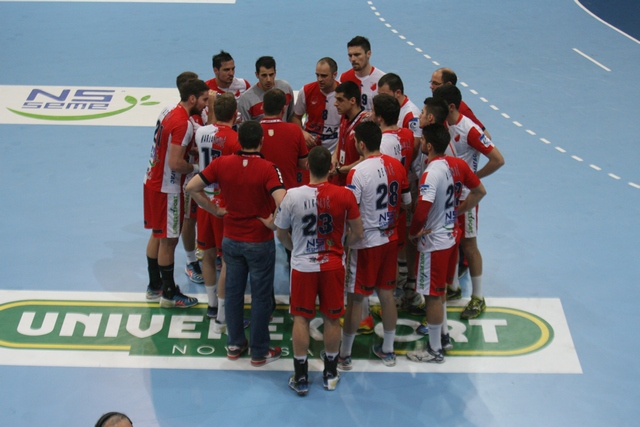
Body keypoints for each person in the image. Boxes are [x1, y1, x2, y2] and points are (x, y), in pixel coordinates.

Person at [186, 120, 286, 366]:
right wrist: (273, 223)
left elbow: (192, 187)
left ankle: (234, 344)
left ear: (239, 141)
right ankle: (259, 351)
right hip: (259, 241)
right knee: (261, 297)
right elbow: (284, 200)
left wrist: (214, 210)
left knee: (233, 293)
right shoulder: (268, 168)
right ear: (261, 141)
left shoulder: (222, 163)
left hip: (231, 239)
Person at [275, 146, 364, 396]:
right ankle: (331, 374)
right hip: (333, 265)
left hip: (303, 266)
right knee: (332, 318)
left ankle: (301, 377)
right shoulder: (345, 195)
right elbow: (358, 232)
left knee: (301, 318)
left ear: (307, 167)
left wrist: (295, 249)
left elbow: (280, 233)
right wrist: (341, 246)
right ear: (331, 168)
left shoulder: (292, 196)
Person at [406, 124, 486, 363]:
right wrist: (458, 210)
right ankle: (443, 336)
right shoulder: (458, 164)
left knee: (432, 295)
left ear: (429, 145)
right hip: (451, 237)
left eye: (422, 140)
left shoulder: (431, 172)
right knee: (440, 290)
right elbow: (479, 190)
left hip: (434, 243)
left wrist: (413, 232)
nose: (420, 143)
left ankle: (434, 350)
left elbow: (422, 209)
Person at [340, 121, 411, 370]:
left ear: (361, 144)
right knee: (387, 295)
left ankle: (345, 355)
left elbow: (350, 211)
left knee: (355, 299)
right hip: (389, 240)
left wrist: (347, 240)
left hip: (365, 244)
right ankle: (388, 350)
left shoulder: (357, 172)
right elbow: (406, 202)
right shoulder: (397, 166)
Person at [434, 84, 505, 319]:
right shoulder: (443, 124)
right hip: (447, 197)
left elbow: (497, 159)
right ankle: (453, 287)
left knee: (469, 245)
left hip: (466, 198)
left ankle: (477, 297)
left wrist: (474, 179)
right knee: (451, 241)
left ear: (451, 107)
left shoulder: (469, 130)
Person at [143, 78, 209, 308]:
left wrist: (190, 150)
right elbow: (175, 163)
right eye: (203, 99)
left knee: (157, 234)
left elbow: (169, 145)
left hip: (151, 180)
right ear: (192, 98)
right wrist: (198, 168)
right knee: (169, 242)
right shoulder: (185, 123)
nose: (206, 103)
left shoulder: (168, 110)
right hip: (168, 189)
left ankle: (154, 286)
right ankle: (169, 294)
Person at [370, 93, 425, 315]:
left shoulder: (382, 143)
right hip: (402, 199)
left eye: (373, 111)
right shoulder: (407, 134)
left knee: (388, 254)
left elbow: (378, 171)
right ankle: (408, 286)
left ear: (380, 117)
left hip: (385, 203)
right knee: (400, 246)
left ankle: (389, 302)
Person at [193, 93, 241, 331]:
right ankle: (223, 316)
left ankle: (212, 305)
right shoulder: (235, 140)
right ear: (235, 114)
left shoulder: (201, 132)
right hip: (225, 206)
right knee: (228, 262)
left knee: (208, 255)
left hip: (204, 202)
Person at [260, 88, 309, 190]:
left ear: (263, 107)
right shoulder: (294, 130)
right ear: (284, 109)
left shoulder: (253, 130)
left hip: (260, 192)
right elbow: (304, 163)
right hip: (287, 192)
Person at [292, 57, 341, 153]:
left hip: (335, 150)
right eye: (317, 75)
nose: (319, 79)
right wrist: (302, 132)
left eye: (324, 76)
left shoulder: (344, 93)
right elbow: (296, 117)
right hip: (310, 149)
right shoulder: (306, 91)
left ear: (334, 74)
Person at [429, 67, 491, 139]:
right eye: (431, 82)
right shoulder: (434, 105)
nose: (431, 86)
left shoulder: (462, 108)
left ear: (448, 84)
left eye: (435, 83)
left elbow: (486, 136)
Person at [330, 81, 368, 187]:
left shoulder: (364, 124)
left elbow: (364, 160)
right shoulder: (344, 115)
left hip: (354, 183)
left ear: (352, 101)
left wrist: (340, 170)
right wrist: (334, 157)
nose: (335, 103)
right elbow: (341, 139)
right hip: (339, 179)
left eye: (340, 100)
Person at [238, 56, 294, 123]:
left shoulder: (286, 89)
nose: (268, 80)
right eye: (264, 75)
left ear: (275, 73)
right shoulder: (246, 100)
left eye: (271, 74)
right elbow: (244, 128)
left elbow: (292, 116)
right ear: (257, 74)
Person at [339, 36, 385, 112]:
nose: (353, 59)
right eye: (350, 55)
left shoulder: (382, 80)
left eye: (357, 55)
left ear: (368, 54)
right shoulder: (343, 79)